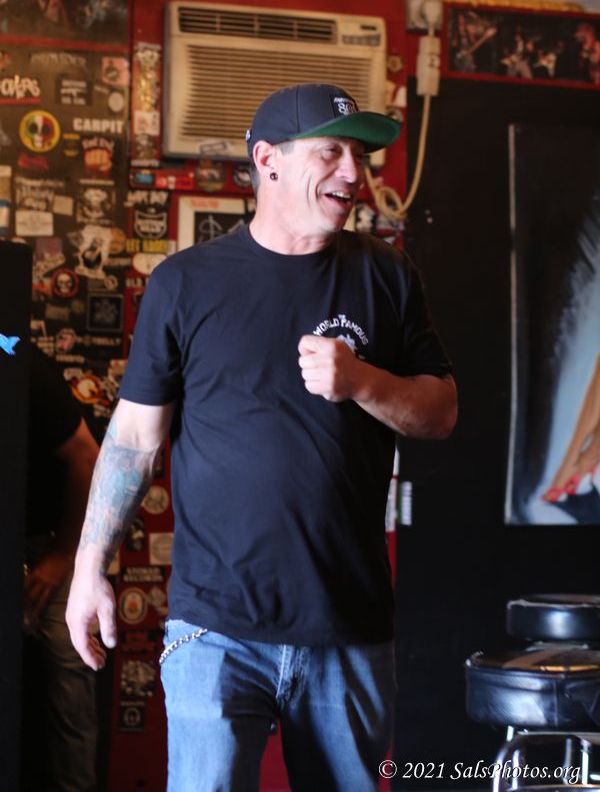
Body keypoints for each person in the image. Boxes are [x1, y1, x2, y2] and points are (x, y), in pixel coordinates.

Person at [66, 83, 457, 792]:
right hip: (216, 627)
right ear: (268, 160)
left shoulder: (386, 275)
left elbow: (441, 412)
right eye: (332, 152)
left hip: (347, 625)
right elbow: (135, 439)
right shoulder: (185, 284)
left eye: (359, 156)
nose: (354, 173)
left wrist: (363, 381)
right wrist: (90, 567)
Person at [24, 342, 100, 791]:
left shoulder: (23, 365)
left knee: (66, 661)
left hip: (51, 540)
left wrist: (60, 555)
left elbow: (86, 457)